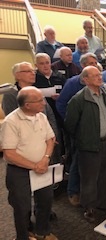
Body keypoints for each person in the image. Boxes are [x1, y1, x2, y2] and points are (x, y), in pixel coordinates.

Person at [0, 86, 57, 240]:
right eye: (39, 101)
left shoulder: (41, 116)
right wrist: (34, 166)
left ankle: (42, 231)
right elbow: (9, 154)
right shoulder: (11, 122)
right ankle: (23, 236)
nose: (44, 103)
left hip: (42, 166)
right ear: (27, 105)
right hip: (19, 171)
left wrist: (45, 159)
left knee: (45, 201)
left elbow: (50, 140)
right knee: (21, 207)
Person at [64, 66, 106, 223]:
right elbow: (70, 125)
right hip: (89, 146)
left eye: (100, 75)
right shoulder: (78, 100)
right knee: (89, 179)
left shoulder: (105, 94)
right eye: (95, 76)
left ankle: (103, 203)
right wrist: (83, 139)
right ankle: (89, 207)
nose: (100, 77)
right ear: (85, 79)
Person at [55, 53, 98, 206]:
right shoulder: (73, 83)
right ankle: (73, 191)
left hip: (94, 130)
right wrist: (72, 125)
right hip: (78, 131)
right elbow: (60, 104)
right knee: (77, 161)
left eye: (96, 62)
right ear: (83, 66)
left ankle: (89, 190)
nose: (95, 64)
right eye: (91, 63)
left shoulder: (99, 82)